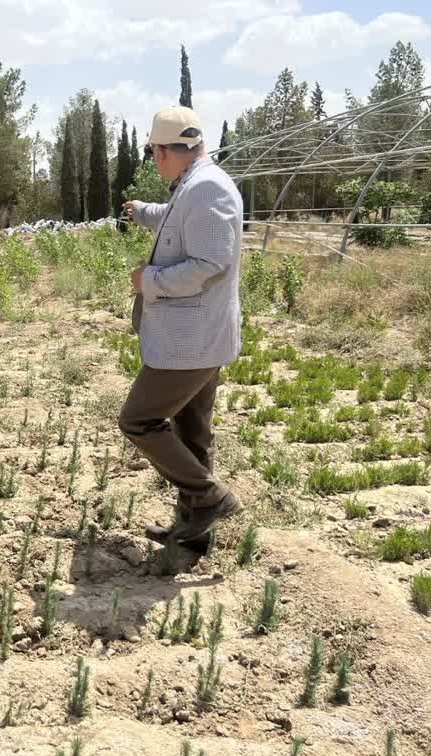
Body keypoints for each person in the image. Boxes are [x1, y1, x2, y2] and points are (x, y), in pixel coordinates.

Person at [118, 106, 242, 549]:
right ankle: (194, 532)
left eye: (155, 151)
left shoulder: (208, 188)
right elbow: (177, 216)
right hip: (202, 338)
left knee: (139, 419)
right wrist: (143, 211)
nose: (154, 159)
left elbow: (210, 263)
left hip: (192, 341)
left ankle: (209, 498)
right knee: (192, 433)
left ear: (171, 149)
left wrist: (146, 281)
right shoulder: (197, 184)